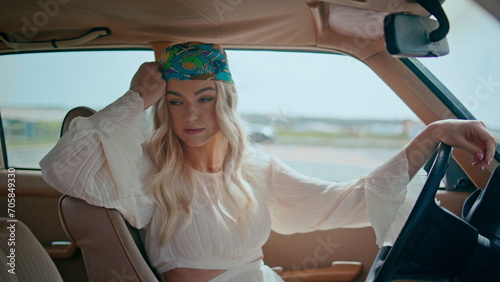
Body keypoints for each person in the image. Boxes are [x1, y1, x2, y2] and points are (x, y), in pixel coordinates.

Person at [40, 42, 497, 281]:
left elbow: (352, 200)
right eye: (176, 102)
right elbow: (62, 167)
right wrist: (138, 96)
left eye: (205, 97)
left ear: (225, 100)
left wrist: (432, 135)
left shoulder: (254, 167)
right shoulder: (149, 168)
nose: (191, 114)